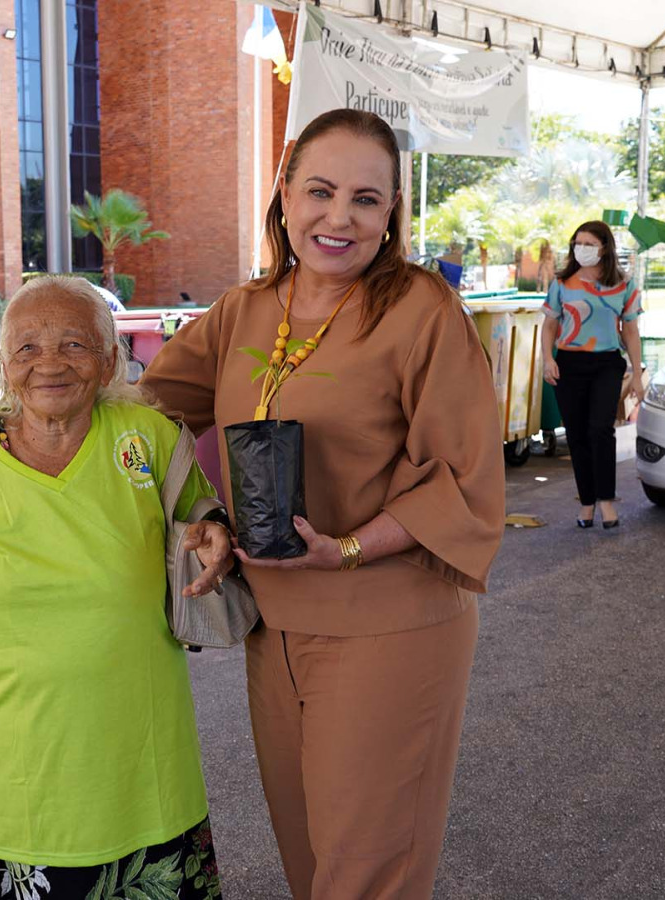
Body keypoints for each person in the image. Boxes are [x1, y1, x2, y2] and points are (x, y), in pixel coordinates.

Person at [139, 108, 505, 900]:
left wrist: (343, 548)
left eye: (366, 200)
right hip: (275, 623)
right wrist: (21, 412)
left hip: (388, 624)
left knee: (367, 873)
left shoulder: (420, 310)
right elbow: (148, 410)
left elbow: (464, 478)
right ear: (284, 194)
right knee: (308, 863)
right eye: (321, 190)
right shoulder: (246, 309)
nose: (339, 217)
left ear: (391, 215)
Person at [0, 276, 236, 899]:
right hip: (14, 792)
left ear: (109, 360)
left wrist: (214, 531)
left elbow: (203, 514)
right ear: (5, 365)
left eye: (74, 345)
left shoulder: (149, 439)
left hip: (144, 782)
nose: (49, 364)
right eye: (27, 349)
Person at [540, 221, 645, 529]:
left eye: (588, 243)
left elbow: (632, 330)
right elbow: (549, 325)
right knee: (577, 435)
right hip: (569, 365)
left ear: (604, 248)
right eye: (577, 243)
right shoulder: (562, 283)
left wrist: (636, 374)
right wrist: (548, 359)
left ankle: (607, 501)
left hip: (606, 365)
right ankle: (586, 503)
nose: (581, 249)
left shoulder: (624, 285)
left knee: (600, 429)